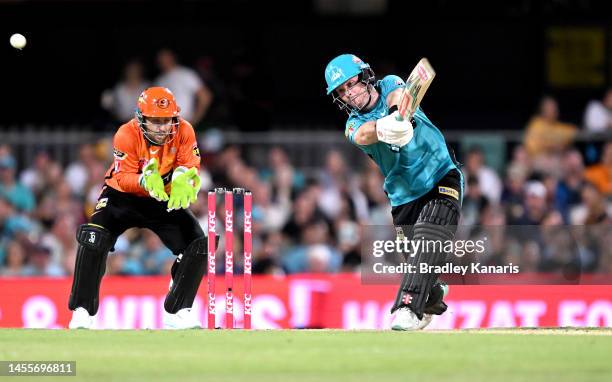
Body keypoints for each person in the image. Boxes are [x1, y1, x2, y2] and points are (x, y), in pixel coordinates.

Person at [324, 54, 463, 330]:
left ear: (365, 77)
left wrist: (397, 117)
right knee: (420, 264)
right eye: (341, 91)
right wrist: (385, 128)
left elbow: (399, 97)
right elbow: (364, 134)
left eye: (351, 84)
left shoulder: (389, 84)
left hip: (440, 177)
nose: (348, 94)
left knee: (428, 237)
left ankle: (407, 308)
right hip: (403, 197)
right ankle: (432, 297)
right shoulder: (352, 125)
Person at [68, 87, 208, 330]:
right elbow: (122, 178)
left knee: (197, 244)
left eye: (167, 120)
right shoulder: (126, 133)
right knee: (93, 238)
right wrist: (143, 181)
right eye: (156, 121)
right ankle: (82, 312)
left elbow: (190, 162)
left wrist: (184, 177)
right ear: (141, 118)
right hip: (122, 196)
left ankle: (177, 312)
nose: (163, 127)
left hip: (162, 196)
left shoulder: (184, 130)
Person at [155, 49, 213, 126]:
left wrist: (194, 120)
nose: (163, 60)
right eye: (160, 57)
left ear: (172, 57)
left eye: (165, 56)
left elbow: (205, 96)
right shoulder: (160, 80)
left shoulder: (185, 73)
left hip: (182, 123)